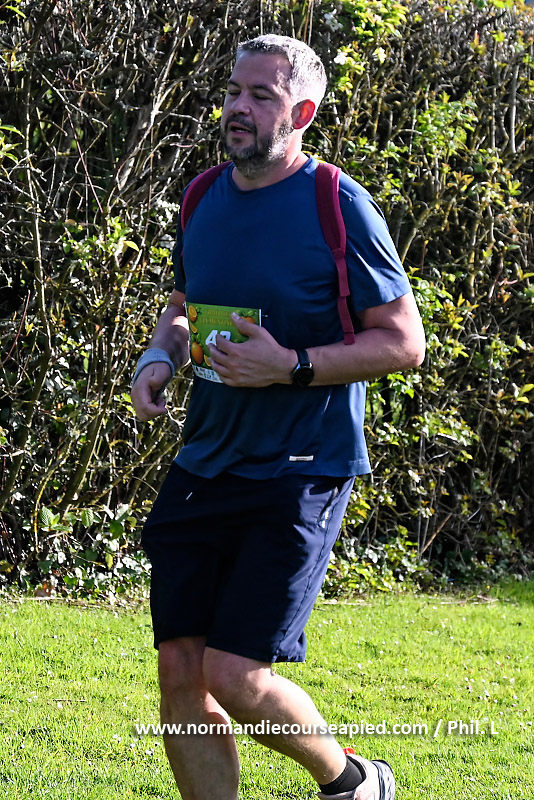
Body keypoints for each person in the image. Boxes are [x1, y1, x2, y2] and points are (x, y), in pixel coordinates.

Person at [131, 33, 425, 800]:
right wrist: (159, 356)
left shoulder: (338, 204)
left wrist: (290, 364)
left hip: (301, 466)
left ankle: (353, 781)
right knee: (179, 670)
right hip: (204, 460)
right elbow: (182, 305)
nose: (238, 107)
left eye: (260, 96)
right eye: (233, 91)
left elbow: (403, 342)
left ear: (301, 113)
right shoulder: (202, 196)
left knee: (234, 674)